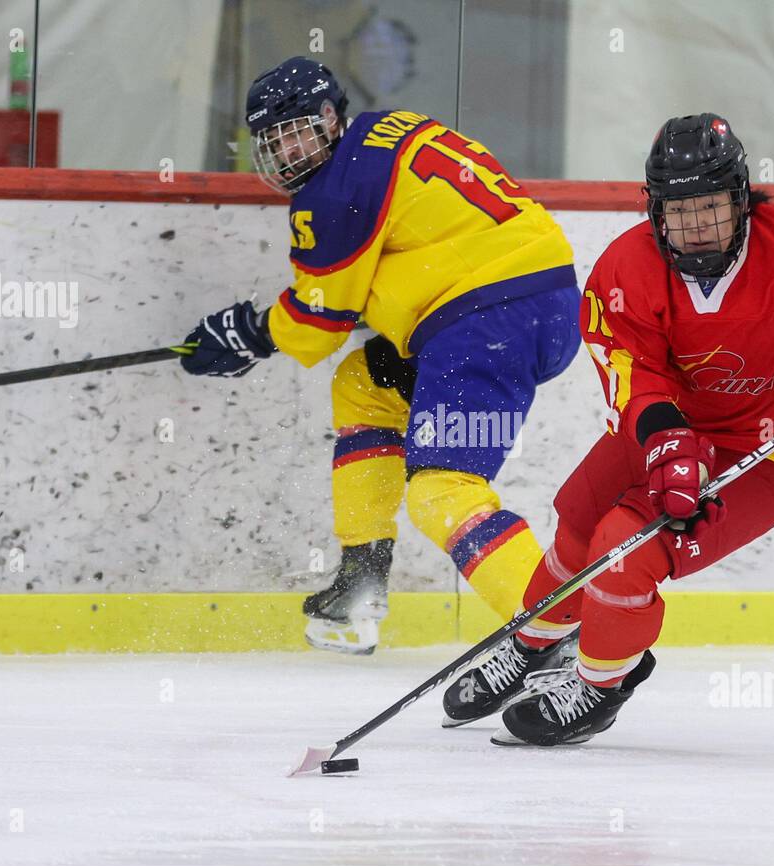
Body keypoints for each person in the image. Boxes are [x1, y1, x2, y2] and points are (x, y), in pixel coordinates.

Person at [444, 112, 774, 744]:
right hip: (676, 428)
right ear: (655, 209)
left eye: (711, 206)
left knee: (622, 547)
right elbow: (627, 368)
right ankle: (535, 642)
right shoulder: (627, 267)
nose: (694, 225)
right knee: (578, 514)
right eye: (677, 209)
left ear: (741, 197)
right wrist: (664, 438)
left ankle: (602, 686)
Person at [179, 57, 581, 658]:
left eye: (295, 133)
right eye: (272, 142)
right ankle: (361, 581)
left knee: (442, 489)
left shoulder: (332, 193)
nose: (287, 154)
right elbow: (419, 249)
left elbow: (318, 325)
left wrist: (251, 332)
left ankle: (563, 630)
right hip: (539, 303)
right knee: (364, 382)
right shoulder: (392, 128)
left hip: (485, 323)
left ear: (327, 119)